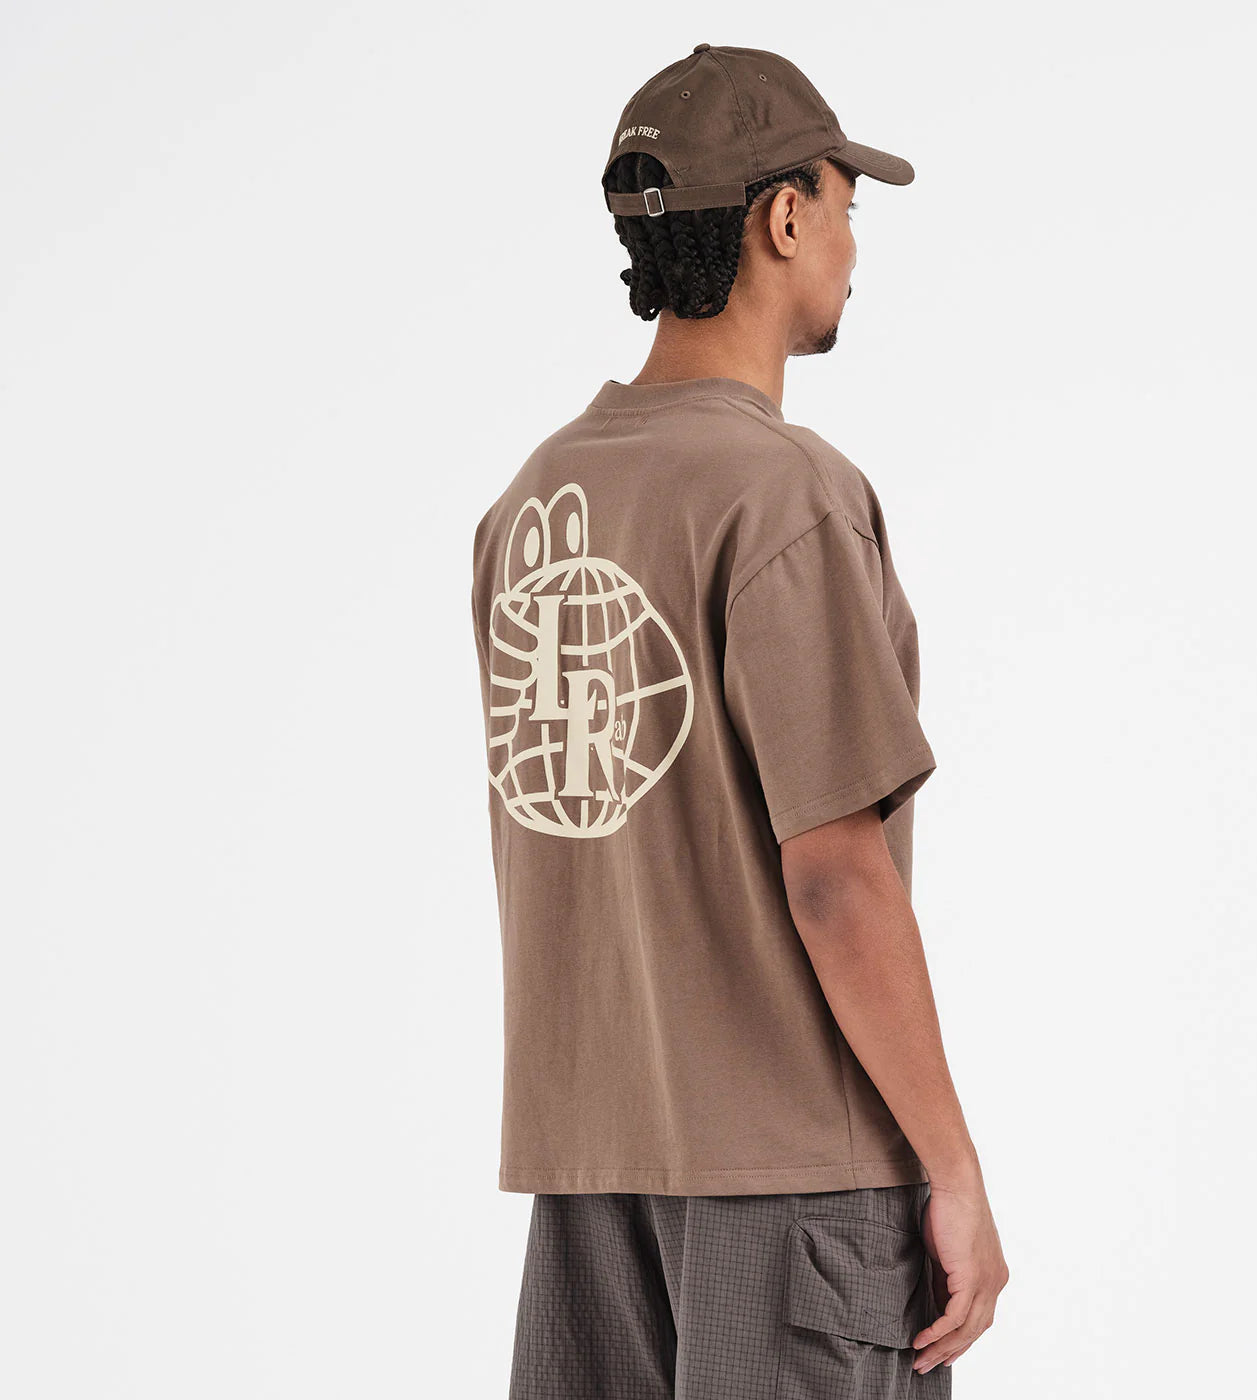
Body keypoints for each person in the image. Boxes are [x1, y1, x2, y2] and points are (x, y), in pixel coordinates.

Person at [470, 42, 1008, 1400]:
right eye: (845, 205)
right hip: (795, 1188)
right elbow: (835, 874)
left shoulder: (531, 503)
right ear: (782, 216)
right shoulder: (784, 496)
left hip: (591, 1179)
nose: (852, 244)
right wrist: (952, 1165)